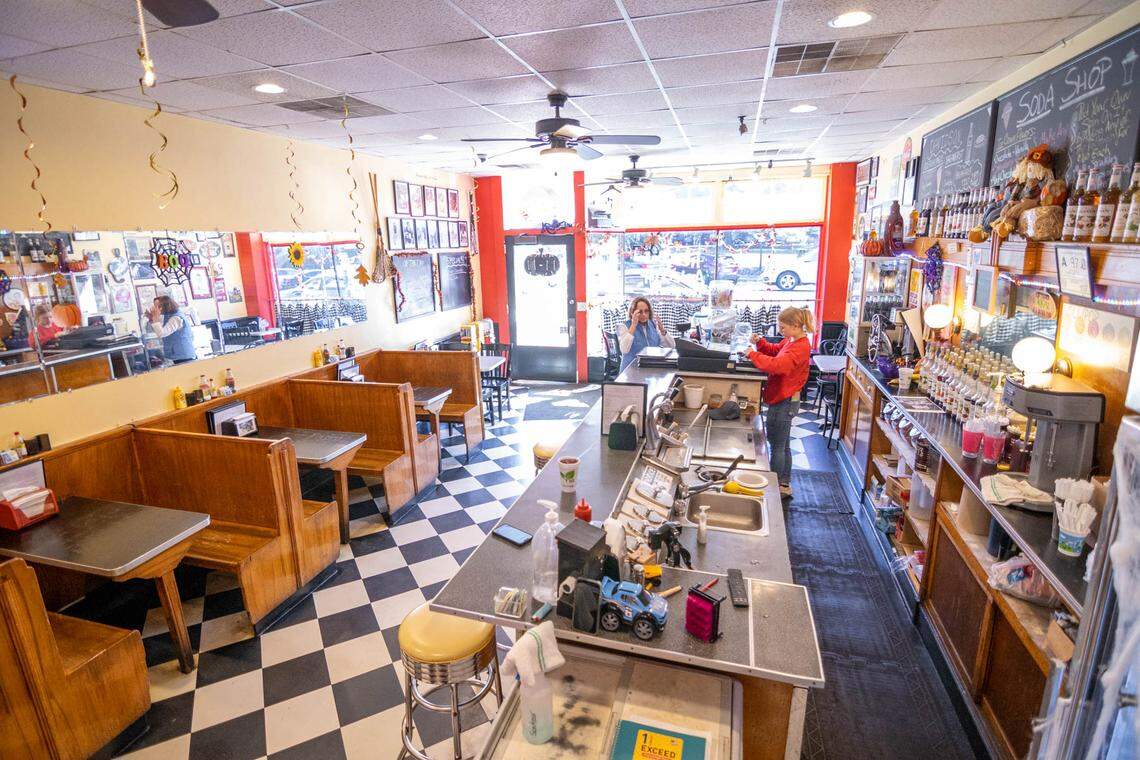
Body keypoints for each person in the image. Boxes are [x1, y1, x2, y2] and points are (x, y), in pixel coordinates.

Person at [744, 306, 814, 500]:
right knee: (782, 444)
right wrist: (761, 343)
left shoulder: (800, 347)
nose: (780, 331)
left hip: (785, 400)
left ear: (796, 326)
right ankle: (783, 483)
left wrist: (752, 354)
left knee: (777, 445)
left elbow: (777, 365)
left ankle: (774, 487)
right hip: (783, 397)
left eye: (782, 328)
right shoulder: (792, 340)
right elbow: (776, 351)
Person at [618, 297, 675, 372]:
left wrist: (662, 330)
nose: (644, 314)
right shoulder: (624, 326)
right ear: (633, 313)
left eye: (646, 311)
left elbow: (671, 346)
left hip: (650, 369)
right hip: (629, 371)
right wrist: (633, 325)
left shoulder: (652, 325)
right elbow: (624, 349)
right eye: (640, 312)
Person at [146, 295, 197, 364]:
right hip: (175, 354)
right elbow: (157, 328)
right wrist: (152, 319)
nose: (155, 309)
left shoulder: (176, 318)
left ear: (165, 306)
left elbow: (161, 333)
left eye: (157, 306)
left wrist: (155, 318)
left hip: (183, 355)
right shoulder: (167, 315)